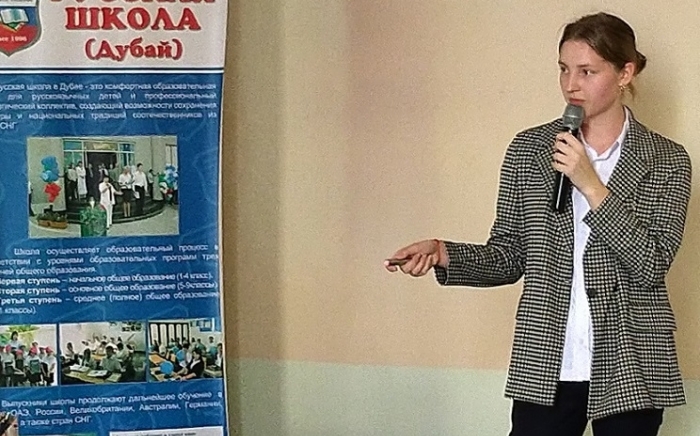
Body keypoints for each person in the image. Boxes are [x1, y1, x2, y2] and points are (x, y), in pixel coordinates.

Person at [384, 12, 691, 436]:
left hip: (632, 359)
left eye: (587, 71)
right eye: (564, 69)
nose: (571, 84)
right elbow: (509, 255)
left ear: (625, 72)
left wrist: (590, 184)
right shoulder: (529, 150)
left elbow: (651, 263)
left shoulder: (666, 160)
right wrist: (443, 252)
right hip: (547, 358)